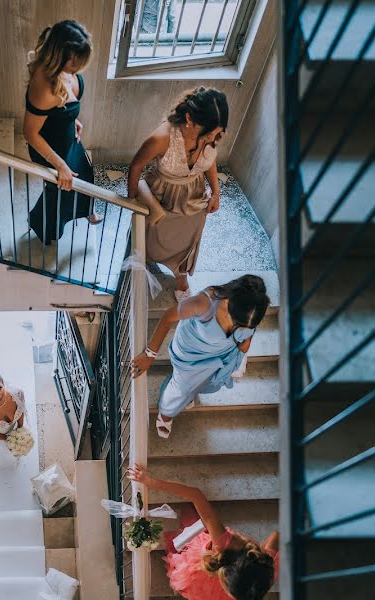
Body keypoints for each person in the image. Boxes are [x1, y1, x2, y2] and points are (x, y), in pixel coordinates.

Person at [130, 275, 270, 438]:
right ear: (228, 302)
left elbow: (248, 335)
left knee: (205, 381)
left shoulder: (257, 306)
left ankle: (190, 392)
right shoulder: (205, 303)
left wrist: (245, 342)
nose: (239, 328)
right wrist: (150, 355)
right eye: (237, 322)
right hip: (192, 353)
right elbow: (168, 317)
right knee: (180, 386)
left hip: (221, 354)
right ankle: (166, 413)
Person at [126, 87, 229, 300]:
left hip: (193, 197)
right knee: (152, 237)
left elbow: (209, 161)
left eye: (216, 133)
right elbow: (136, 166)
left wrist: (216, 193)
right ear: (189, 118)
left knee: (186, 240)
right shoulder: (162, 137)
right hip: (163, 195)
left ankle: (181, 275)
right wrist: (132, 200)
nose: (211, 139)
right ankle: (142, 263)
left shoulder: (211, 137)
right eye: (208, 132)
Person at [127, 464, 279, 600]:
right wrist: (152, 482)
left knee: (190, 522)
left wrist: (152, 482)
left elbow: (276, 536)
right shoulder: (227, 545)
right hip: (217, 565)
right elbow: (196, 495)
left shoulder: (232, 548)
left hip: (203, 569)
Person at [23, 20, 102, 245]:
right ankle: (43, 227)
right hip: (51, 148)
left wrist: (71, 118)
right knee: (59, 193)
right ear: (60, 57)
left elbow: (62, 107)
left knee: (85, 174)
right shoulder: (43, 87)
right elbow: (30, 134)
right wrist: (59, 165)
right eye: (75, 63)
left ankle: (85, 210)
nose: (78, 69)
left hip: (67, 136)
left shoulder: (66, 72)